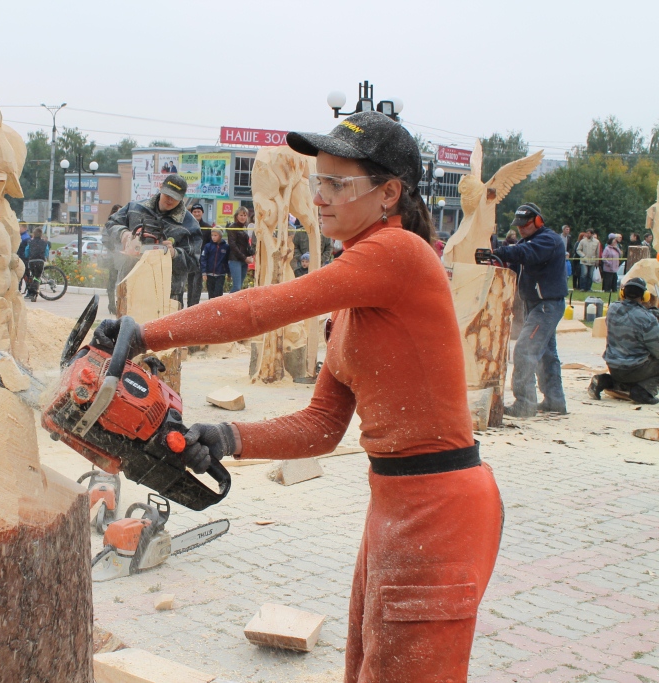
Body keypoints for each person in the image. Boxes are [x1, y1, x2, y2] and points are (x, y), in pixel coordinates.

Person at [93, 111, 502, 682]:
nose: (322, 196)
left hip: (439, 506)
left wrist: (146, 334)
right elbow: (322, 426)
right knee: (367, 669)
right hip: (393, 503)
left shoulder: (399, 252)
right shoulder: (353, 299)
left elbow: (267, 305)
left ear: (389, 193)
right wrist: (228, 436)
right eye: (319, 181)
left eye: (339, 184)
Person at [493, 203, 568, 416]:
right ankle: (555, 401)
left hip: (547, 305)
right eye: (519, 226)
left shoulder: (548, 240)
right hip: (535, 303)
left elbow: (527, 253)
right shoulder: (529, 241)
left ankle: (525, 403)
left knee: (525, 350)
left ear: (537, 221)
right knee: (546, 354)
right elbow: (519, 260)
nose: (521, 229)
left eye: (525, 225)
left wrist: (499, 251)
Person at [106, 174, 201, 307]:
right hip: (131, 284)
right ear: (160, 187)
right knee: (128, 326)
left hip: (168, 293)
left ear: (182, 197)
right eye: (167, 195)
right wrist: (123, 234)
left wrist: (174, 254)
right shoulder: (135, 208)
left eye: (175, 198)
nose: (170, 200)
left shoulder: (189, 225)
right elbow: (111, 223)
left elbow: (194, 263)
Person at [589, 277, 659, 405]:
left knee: (627, 374)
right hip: (635, 369)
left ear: (623, 293)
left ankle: (605, 381)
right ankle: (644, 391)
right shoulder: (648, 319)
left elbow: (630, 314)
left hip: (614, 367)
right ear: (645, 295)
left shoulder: (612, 309)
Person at [186, 203, 211, 307]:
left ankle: (194, 305)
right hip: (189, 257)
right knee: (190, 283)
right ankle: (188, 305)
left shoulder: (207, 227)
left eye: (198, 211)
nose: (197, 213)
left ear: (202, 213)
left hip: (201, 258)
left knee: (197, 283)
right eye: (194, 211)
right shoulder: (187, 225)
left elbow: (210, 243)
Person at [225, 206, 253, 292]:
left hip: (244, 261)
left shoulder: (245, 228)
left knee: (239, 287)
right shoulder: (232, 227)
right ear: (237, 216)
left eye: (245, 215)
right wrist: (244, 258)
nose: (243, 217)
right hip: (235, 260)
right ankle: (228, 304)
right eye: (241, 215)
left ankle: (233, 304)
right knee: (236, 287)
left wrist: (251, 254)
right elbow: (233, 246)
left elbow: (247, 244)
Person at [103, 204, 122, 314]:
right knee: (112, 281)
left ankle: (121, 303)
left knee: (123, 281)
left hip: (123, 258)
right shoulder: (109, 225)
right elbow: (105, 239)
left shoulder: (125, 224)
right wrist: (114, 249)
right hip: (113, 258)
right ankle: (111, 304)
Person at [199, 228, 229, 299]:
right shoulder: (208, 246)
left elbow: (227, 260)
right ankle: (211, 309)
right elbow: (203, 259)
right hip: (209, 274)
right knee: (211, 294)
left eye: (216, 235)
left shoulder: (226, 247)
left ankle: (218, 308)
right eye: (212, 235)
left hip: (220, 274)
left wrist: (228, 273)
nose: (213, 237)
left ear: (220, 236)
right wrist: (204, 272)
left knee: (218, 293)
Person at [23, 227, 50, 302]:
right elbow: (46, 252)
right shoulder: (44, 243)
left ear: (33, 235)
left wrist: (27, 256)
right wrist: (45, 257)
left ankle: (32, 292)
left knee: (34, 276)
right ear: (41, 235)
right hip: (40, 261)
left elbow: (27, 251)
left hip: (32, 261)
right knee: (37, 276)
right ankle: (34, 293)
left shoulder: (30, 242)